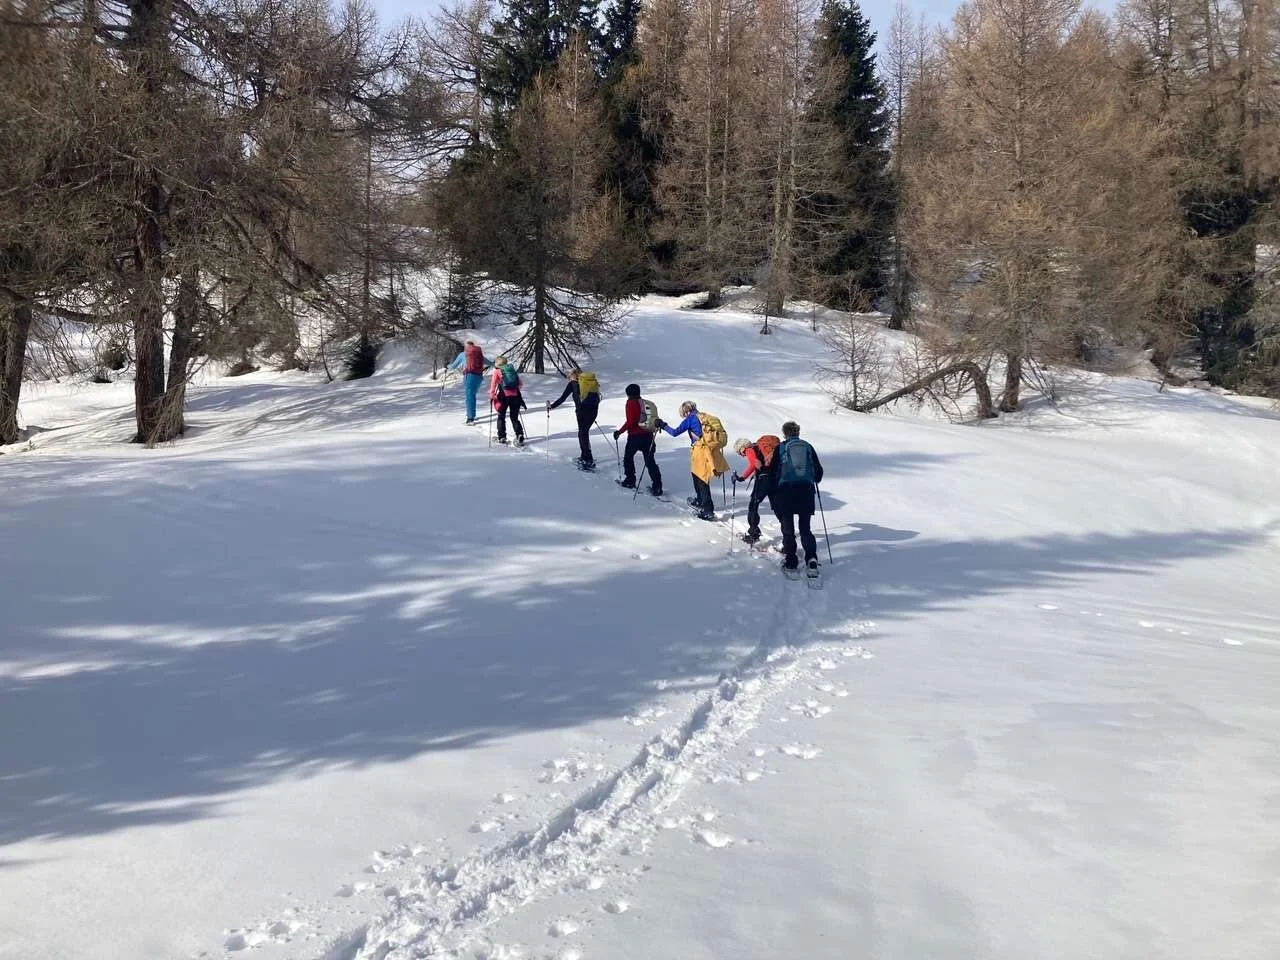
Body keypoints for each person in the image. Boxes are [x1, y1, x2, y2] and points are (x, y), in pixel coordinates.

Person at [765, 421, 824, 574]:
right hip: (806, 491)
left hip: (786, 491)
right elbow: (818, 472)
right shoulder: (808, 446)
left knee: (788, 529)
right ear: (798, 432)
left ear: (784, 433)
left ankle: (791, 561)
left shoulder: (781, 448)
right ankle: (811, 558)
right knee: (805, 529)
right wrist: (813, 480)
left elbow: (772, 471)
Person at [657, 401, 729, 521]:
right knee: (696, 475)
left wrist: (663, 425)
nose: (683, 416)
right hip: (708, 451)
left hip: (700, 451)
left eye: (683, 414)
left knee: (702, 480)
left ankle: (708, 510)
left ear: (686, 411)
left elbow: (675, 433)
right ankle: (700, 500)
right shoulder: (704, 417)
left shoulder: (690, 419)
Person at [612, 383, 663, 496]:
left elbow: (631, 422)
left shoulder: (631, 403)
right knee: (650, 462)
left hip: (635, 437)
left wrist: (619, 432)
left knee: (628, 458)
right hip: (648, 436)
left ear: (628, 394)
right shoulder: (645, 403)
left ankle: (630, 480)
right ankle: (657, 487)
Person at [547, 367, 601, 469]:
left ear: (572, 375)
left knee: (582, 434)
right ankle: (585, 456)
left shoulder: (573, 384)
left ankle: (588, 460)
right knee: (584, 433)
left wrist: (552, 406)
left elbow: (563, 398)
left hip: (581, 412)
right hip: (593, 411)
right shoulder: (589, 383)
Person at [732, 434, 780, 543]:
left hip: (763, 480)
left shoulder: (750, 450)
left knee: (753, 505)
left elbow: (754, 464)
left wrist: (742, 477)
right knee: (778, 508)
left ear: (742, 447)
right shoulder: (760, 448)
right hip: (776, 479)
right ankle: (788, 536)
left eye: (740, 452)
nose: (742, 455)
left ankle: (754, 534)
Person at [446, 340, 492, 424]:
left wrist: (448, 366)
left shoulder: (463, 354)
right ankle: (472, 415)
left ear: (466, 347)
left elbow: (453, 366)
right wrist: (496, 365)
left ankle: (470, 418)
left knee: (470, 397)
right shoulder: (478, 354)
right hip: (479, 377)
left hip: (469, 376)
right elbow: (488, 362)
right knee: (473, 396)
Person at [490, 356, 526, 445]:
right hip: (515, 397)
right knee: (514, 417)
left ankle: (502, 437)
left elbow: (493, 385)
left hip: (503, 397)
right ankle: (519, 435)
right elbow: (520, 384)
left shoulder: (497, 372)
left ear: (498, 364)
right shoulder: (512, 370)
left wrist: (492, 395)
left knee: (501, 416)